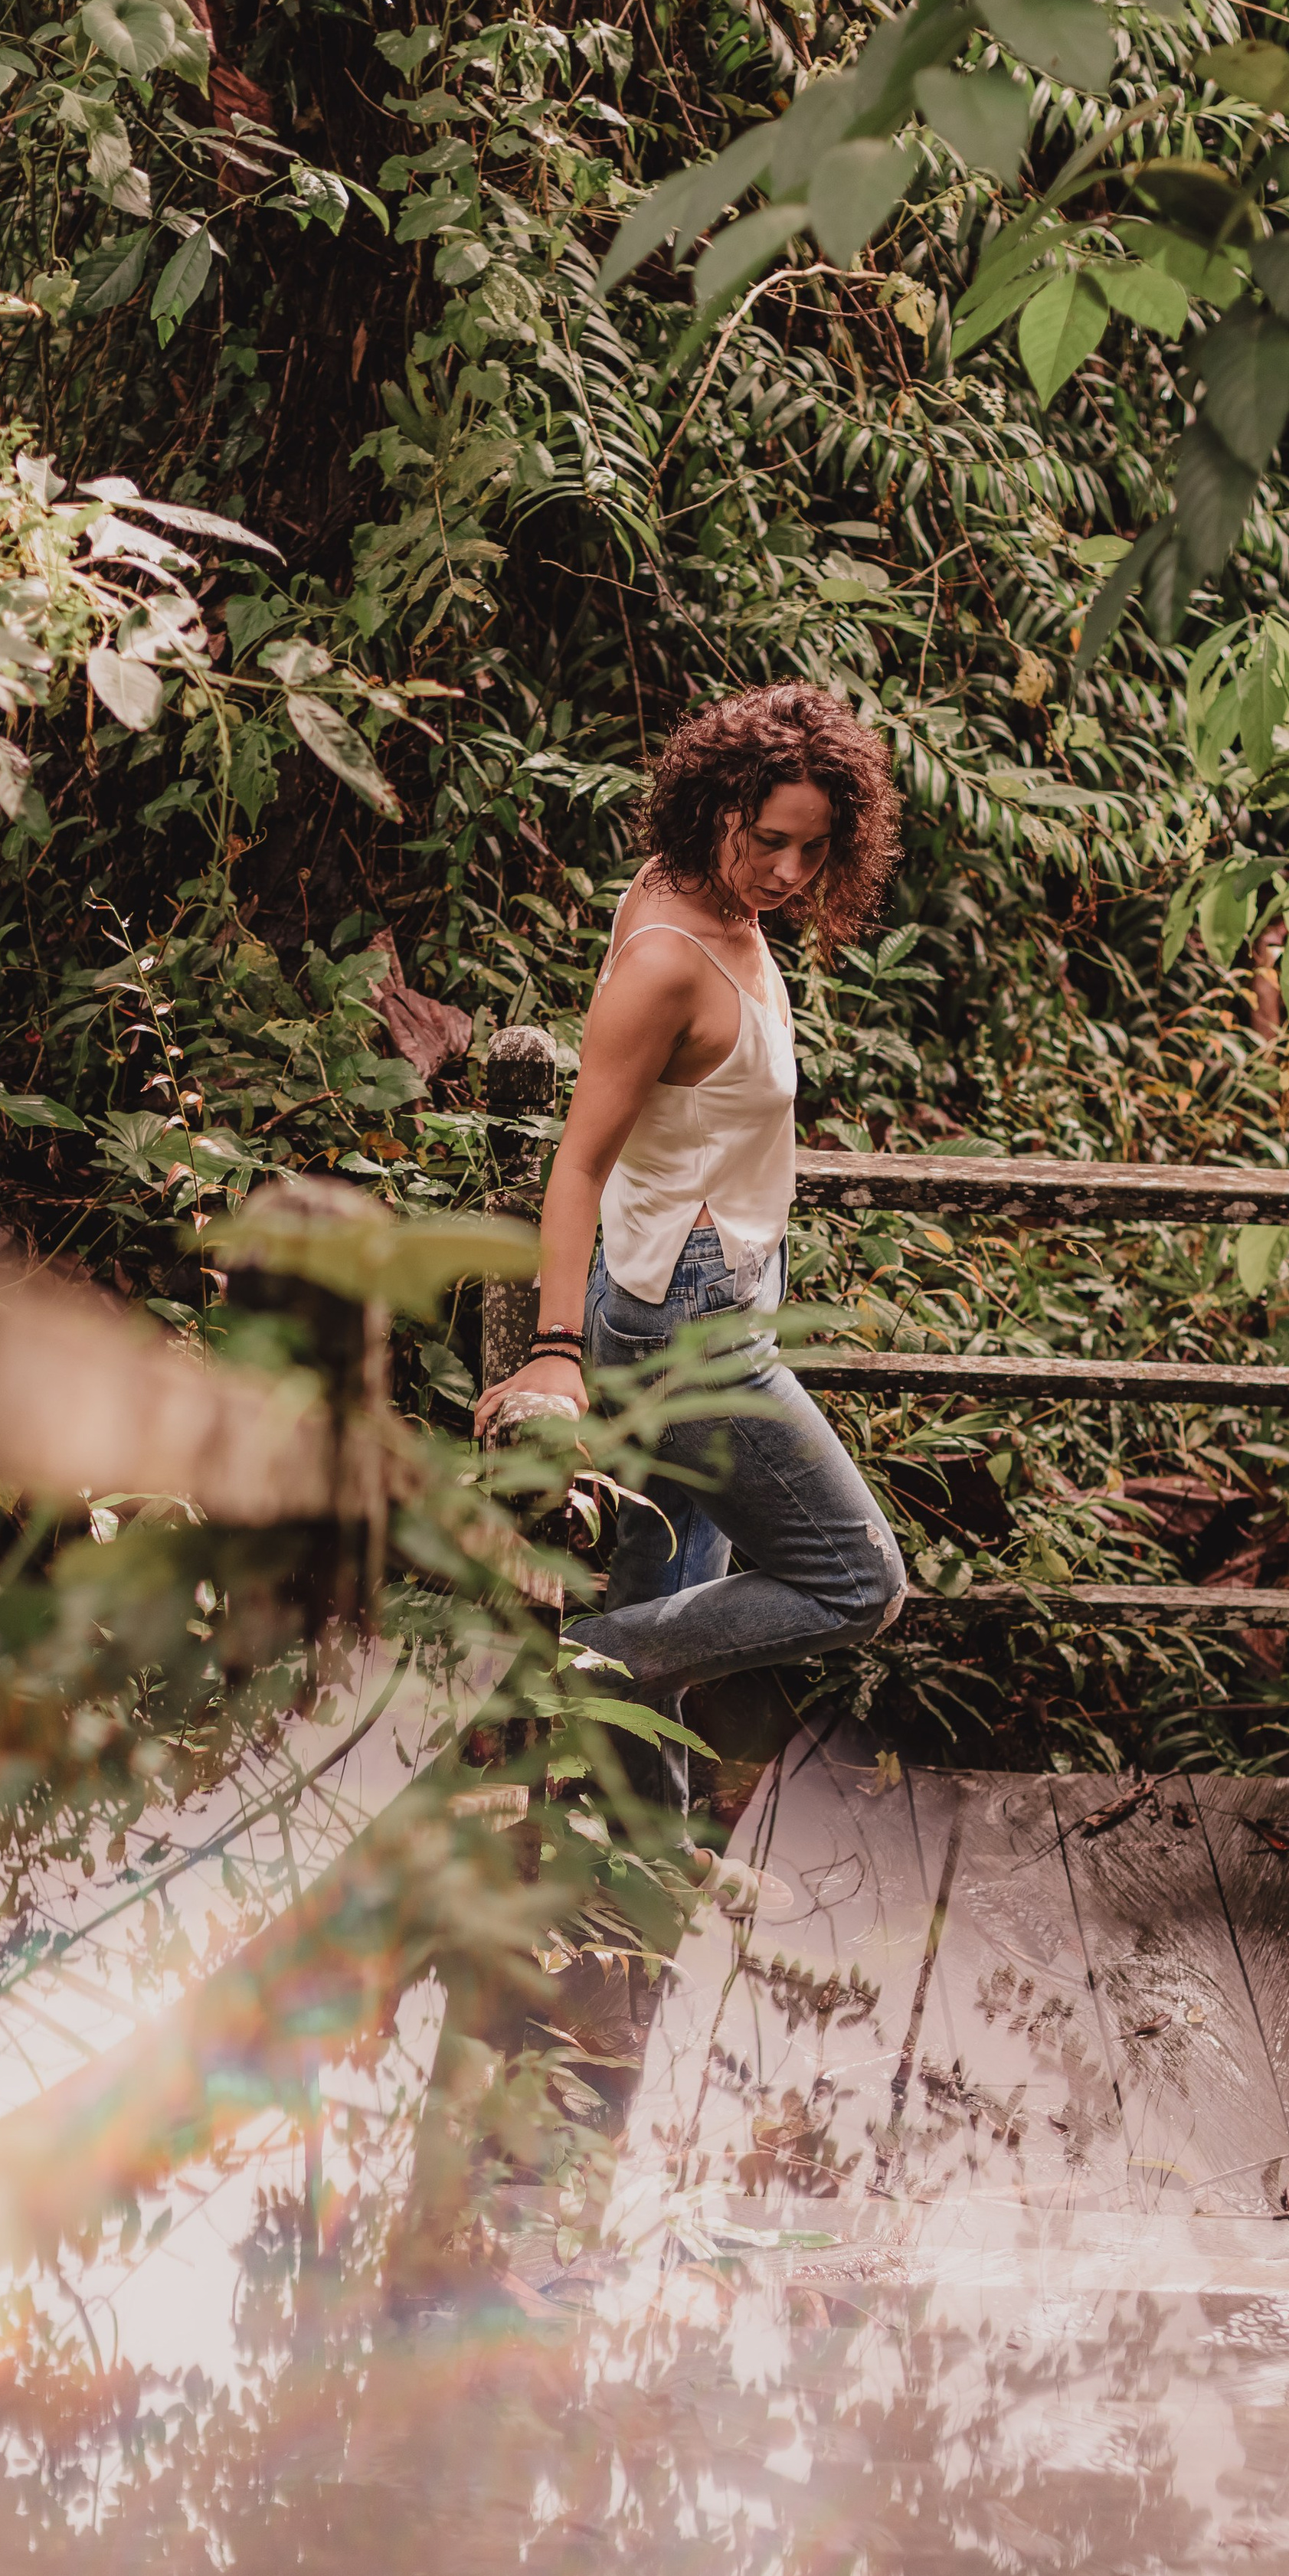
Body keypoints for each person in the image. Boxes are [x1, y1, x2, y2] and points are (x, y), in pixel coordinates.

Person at [472, 681, 908, 1842]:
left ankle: (643, 1872)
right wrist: (558, 1350)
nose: (787, 873)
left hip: (709, 1289)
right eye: (767, 840)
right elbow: (577, 1164)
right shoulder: (670, 957)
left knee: (667, 1587)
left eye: (815, 848)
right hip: (687, 1327)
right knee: (859, 1583)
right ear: (715, 803)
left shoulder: (699, 895)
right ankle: (576, 1661)